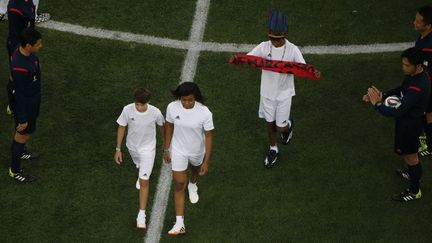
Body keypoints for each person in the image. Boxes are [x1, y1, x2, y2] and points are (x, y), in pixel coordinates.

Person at [229, 10, 320, 168]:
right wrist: (238, 59)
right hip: (266, 94)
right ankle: (273, 148)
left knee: (280, 127)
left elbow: (302, 66)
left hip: (284, 95)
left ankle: (288, 126)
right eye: (272, 38)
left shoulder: (293, 49)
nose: (274, 42)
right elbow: (250, 58)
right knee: (269, 124)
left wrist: (313, 71)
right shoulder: (264, 47)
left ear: (285, 34)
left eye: (278, 39)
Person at [363, 47, 430, 202]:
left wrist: (377, 104)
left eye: (407, 65)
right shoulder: (416, 75)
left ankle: (414, 191)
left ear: (418, 66)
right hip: (409, 123)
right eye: (403, 64)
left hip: (409, 127)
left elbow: (396, 112)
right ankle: (410, 173)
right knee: (409, 156)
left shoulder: (417, 87)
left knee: (411, 157)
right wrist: (383, 94)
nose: (403, 68)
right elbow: (401, 89)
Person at [163, 82, 214, 235]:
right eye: (183, 100)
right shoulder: (172, 107)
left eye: (190, 100)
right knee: (179, 183)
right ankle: (180, 223)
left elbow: (208, 136)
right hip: (178, 150)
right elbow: (169, 126)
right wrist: (166, 148)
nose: (186, 103)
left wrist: (206, 160)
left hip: (197, 151)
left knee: (195, 171)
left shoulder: (205, 112)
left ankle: (193, 184)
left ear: (195, 98)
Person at [114, 87, 164, 229]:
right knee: (138, 165)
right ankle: (141, 170)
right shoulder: (127, 110)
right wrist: (118, 148)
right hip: (132, 147)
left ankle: (141, 215)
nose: (138, 107)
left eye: (141, 104)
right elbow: (122, 127)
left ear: (148, 102)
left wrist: (167, 146)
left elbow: (162, 127)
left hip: (148, 149)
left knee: (144, 180)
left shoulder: (155, 112)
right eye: (136, 104)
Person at [8, 27, 42, 182]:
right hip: (26, 103)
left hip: (32, 99)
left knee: (25, 134)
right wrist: (22, 118)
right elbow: (18, 94)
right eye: (38, 44)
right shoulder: (20, 67)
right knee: (22, 134)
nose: (40, 46)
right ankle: (15, 170)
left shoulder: (27, 53)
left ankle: (21, 152)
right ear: (28, 45)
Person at [413, 6, 432, 156]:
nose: (414, 23)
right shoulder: (423, 38)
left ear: (428, 26)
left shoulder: (427, 47)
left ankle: (428, 146)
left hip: (428, 85)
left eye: (418, 21)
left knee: (425, 114)